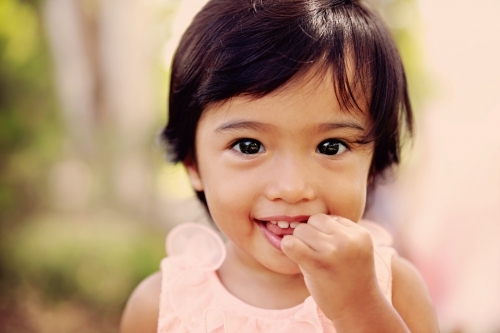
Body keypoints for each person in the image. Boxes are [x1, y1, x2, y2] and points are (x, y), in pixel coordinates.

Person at [120, 0, 440, 332]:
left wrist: (358, 308)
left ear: (374, 163)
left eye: (331, 147)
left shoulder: (393, 289)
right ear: (193, 164)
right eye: (249, 146)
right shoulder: (160, 306)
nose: (292, 187)